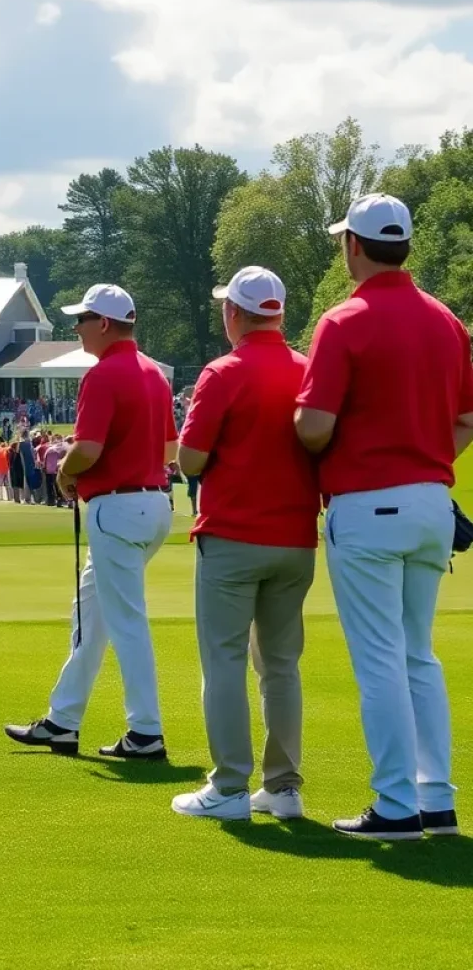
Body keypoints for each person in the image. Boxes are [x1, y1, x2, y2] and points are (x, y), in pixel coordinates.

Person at [296, 194, 473, 840]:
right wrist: (419, 457)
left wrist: (308, 432)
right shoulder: (446, 321)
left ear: (355, 247)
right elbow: (466, 420)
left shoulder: (344, 321)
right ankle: (437, 799)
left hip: (368, 503)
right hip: (432, 502)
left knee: (380, 660)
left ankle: (395, 805)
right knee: (417, 654)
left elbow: (314, 427)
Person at [170, 267, 320, 822]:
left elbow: (190, 460)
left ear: (234, 312)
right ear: (278, 313)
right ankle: (282, 788)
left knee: (225, 662)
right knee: (281, 665)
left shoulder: (222, 371)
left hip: (233, 536)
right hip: (297, 538)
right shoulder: (307, 368)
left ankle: (230, 786)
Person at [5, 284, 176, 759]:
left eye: (82, 319)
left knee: (125, 623)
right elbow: (169, 449)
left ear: (103, 323)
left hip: (118, 509)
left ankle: (146, 731)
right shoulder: (154, 374)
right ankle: (63, 719)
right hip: (153, 504)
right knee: (91, 613)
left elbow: (87, 449)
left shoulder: (102, 375)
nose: (75, 327)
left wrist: (64, 471)